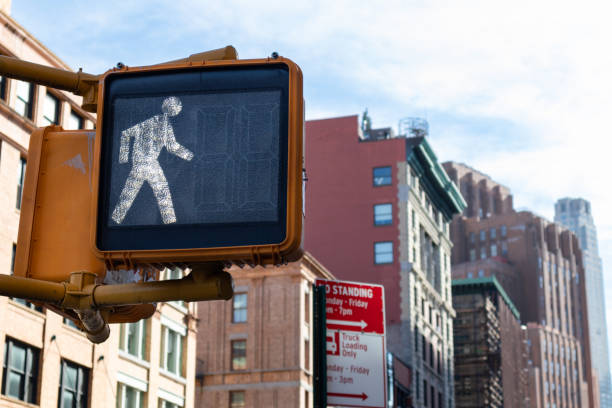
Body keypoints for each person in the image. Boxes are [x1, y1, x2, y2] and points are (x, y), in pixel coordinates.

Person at [111, 96, 193, 224]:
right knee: (163, 195)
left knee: (127, 195)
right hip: (150, 164)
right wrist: (190, 156)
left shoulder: (147, 123)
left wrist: (124, 158)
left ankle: (115, 221)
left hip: (138, 164)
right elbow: (172, 147)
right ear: (174, 109)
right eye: (178, 108)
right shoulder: (165, 126)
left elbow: (125, 134)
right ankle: (171, 226)